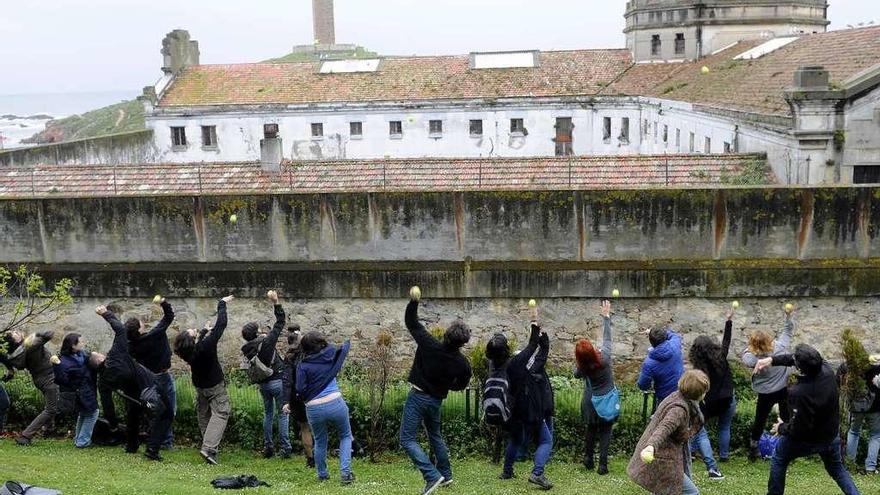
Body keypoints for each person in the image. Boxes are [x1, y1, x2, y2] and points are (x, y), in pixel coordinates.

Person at [754, 344, 861, 495]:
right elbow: (797, 359)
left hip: (807, 439)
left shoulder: (800, 393)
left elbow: (799, 430)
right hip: (830, 436)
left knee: (779, 457)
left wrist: (781, 427)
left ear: (800, 368)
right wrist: (772, 359)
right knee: (837, 469)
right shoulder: (827, 370)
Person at [400, 286, 472, 495]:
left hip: (418, 397)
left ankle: (432, 476)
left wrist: (414, 302)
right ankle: (446, 475)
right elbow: (462, 384)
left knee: (406, 439)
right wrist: (447, 386)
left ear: (447, 334)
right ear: (463, 342)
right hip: (435, 401)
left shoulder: (429, 344)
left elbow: (411, 323)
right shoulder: (462, 363)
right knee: (435, 435)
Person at [487, 310, 554, 490]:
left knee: (515, 440)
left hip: (510, 410)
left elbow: (531, 347)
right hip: (528, 408)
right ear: (506, 349)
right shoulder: (516, 363)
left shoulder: (493, 365)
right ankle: (538, 473)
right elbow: (533, 345)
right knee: (546, 441)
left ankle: (507, 471)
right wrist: (534, 321)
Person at [97, 304, 173, 461]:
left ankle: (132, 445)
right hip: (149, 384)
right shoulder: (146, 339)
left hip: (131, 390)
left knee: (132, 414)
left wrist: (113, 424)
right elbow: (168, 318)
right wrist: (106, 313)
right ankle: (152, 450)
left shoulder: (122, 352)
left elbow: (107, 402)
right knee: (165, 414)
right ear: (138, 330)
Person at [173, 295, 234, 465]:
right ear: (192, 340)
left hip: (200, 385)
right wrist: (222, 304)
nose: (195, 330)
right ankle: (208, 448)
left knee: (204, 413)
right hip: (214, 385)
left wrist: (205, 331)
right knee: (221, 412)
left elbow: (198, 341)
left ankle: (207, 446)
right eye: (193, 332)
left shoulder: (187, 352)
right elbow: (221, 325)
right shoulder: (206, 346)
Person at [628, 369, 710, 495]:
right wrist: (651, 446)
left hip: (663, 456)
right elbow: (663, 428)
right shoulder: (678, 410)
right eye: (704, 392)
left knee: (662, 491)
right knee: (692, 493)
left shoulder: (678, 396)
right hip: (662, 459)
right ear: (698, 394)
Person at [295, 331, 354, 484]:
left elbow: (300, 388)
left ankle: (322, 474)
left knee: (320, 441)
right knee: (346, 436)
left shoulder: (303, 366)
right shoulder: (330, 355)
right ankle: (345, 473)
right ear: (321, 343)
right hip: (335, 402)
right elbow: (337, 348)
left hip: (314, 407)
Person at [687, 308, 736, 481]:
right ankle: (724, 455)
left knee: (698, 428)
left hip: (709, 403)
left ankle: (691, 452)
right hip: (727, 399)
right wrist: (728, 321)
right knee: (724, 427)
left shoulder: (699, 369)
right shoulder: (721, 356)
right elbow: (726, 341)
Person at [742, 305, 795, 461]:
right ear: (770, 340)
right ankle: (788, 449)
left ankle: (753, 449)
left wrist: (752, 347)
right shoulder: (781, 347)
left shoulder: (751, 358)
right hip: (783, 389)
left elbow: (745, 354)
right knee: (786, 418)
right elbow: (788, 331)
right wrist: (788, 316)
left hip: (765, 392)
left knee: (760, 419)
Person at [241, 290, 290, 459]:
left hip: (263, 384)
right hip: (277, 380)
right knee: (283, 414)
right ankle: (285, 448)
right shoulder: (267, 342)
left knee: (268, 414)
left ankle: (268, 446)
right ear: (257, 333)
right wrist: (276, 302)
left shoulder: (247, 349)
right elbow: (280, 322)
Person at [575, 300, 617, 475]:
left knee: (591, 428)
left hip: (590, 400)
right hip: (606, 398)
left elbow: (575, 374)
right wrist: (606, 317)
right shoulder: (604, 357)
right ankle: (603, 465)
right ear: (593, 349)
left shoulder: (582, 367)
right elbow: (607, 339)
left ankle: (588, 458)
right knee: (605, 431)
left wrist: (579, 362)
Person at [127, 297, 176, 449]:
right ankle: (165, 441)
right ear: (139, 329)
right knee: (169, 409)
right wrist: (163, 302)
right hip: (162, 375)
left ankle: (156, 438)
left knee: (154, 409)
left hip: (146, 379)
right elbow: (169, 317)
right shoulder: (155, 335)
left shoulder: (131, 345)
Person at [2, 330, 58, 446]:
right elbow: (49, 334)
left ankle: (49, 429)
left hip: (39, 378)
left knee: (52, 404)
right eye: (14, 333)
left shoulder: (16, 354)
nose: (17, 331)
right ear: (16, 340)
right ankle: (25, 436)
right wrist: (34, 335)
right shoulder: (30, 345)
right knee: (51, 408)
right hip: (49, 377)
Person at [52, 333, 100, 448]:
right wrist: (57, 366)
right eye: (80, 342)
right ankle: (83, 442)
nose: (83, 343)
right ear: (73, 345)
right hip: (79, 392)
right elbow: (61, 380)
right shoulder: (63, 361)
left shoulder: (81, 355)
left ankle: (78, 439)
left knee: (84, 413)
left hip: (87, 389)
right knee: (93, 413)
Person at [838, 354, 880, 475]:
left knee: (854, 432)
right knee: (876, 435)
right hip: (875, 407)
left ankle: (850, 465)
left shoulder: (849, 368)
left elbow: (839, 381)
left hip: (857, 407)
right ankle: (870, 468)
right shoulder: (877, 368)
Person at [282, 326, 315, 468]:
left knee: (305, 428)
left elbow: (287, 380)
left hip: (298, 396)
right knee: (318, 427)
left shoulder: (289, 358)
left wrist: (286, 401)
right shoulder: (309, 354)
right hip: (313, 393)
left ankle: (310, 459)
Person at [637, 320, 685, 405]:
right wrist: (657, 333)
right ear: (665, 337)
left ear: (651, 341)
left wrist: (652, 334)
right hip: (681, 391)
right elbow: (674, 335)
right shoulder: (675, 344)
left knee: (663, 416)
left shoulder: (649, 363)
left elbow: (643, 385)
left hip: (664, 397)